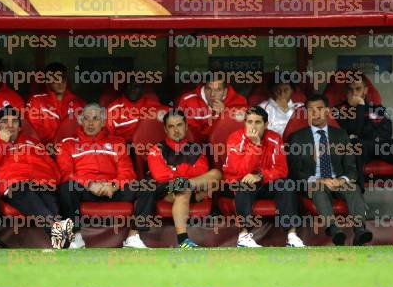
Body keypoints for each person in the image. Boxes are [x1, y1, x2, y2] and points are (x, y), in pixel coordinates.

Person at [55, 103, 156, 249]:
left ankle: (133, 236)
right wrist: (90, 184)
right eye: (86, 118)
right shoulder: (68, 144)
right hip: (85, 189)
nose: (90, 123)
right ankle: (75, 237)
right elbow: (66, 173)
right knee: (66, 187)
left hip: (112, 189)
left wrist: (113, 185)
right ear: (81, 121)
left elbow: (128, 173)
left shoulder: (117, 142)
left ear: (103, 122)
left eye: (95, 118)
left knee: (148, 186)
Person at [0, 105, 71, 249]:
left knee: (48, 198)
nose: (10, 125)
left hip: (42, 183)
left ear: (20, 127)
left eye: (14, 121)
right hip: (13, 184)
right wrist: (1, 142)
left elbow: (52, 167)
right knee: (24, 190)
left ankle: (57, 236)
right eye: (5, 121)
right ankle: (56, 228)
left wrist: (51, 181)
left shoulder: (34, 144)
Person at [335, 76, 393, 216]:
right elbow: (352, 130)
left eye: (358, 88)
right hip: (358, 148)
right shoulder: (338, 110)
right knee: (355, 146)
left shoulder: (376, 108)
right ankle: (358, 202)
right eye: (350, 89)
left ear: (365, 90)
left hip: (379, 145)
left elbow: (386, 132)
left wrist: (364, 133)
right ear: (345, 91)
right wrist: (360, 107)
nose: (354, 92)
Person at [287, 94, 372, 246]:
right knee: (318, 189)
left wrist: (342, 180)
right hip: (315, 181)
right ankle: (334, 230)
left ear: (327, 111)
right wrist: (318, 180)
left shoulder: (341, 135)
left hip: (338, 180)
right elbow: (295, 170)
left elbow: (351, 167)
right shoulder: (297, 138)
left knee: (353, 188)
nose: (315, 113)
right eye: (311, 110)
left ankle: (360, 230)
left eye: (319, 109)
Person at [223, 106, 305, 248]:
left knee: (287, 184)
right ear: (245, 123)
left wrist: (261, 176)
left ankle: (292, 236)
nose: (252, 126)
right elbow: (239, 171)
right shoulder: (235, 139)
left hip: (264, 182)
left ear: (266, 125)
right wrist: (255, 146)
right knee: (243, 185)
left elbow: (281, 170)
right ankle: (243, 236)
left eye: (257, 122)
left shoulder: (274, 138)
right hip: (237, 181)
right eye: (249, 122)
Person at [147, 109, 222, 248]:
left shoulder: (196, 148)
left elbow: (202, 171)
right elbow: (161, 176)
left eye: (179, 125)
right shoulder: (157, 149)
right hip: (166, 191)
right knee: (184, 190)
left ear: (186, 127)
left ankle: (187, 186)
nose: (176, 130)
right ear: (165, 129)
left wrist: (176, 171)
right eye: (171, 126)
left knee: (216, 173)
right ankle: (183, 239)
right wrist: (187, 171)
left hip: (191, 186)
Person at [25, 62, 85, 145]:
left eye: (63, 78)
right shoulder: (36, 101)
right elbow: (33, 131)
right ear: (47, 81)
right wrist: (52, 145)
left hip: (71, 151)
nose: (60, 83)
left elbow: (84, 130)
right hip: (44, 151)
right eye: (55, 79)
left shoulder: (78, 103)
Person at [177, 76, 248, 143]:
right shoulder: (188, 101)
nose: (212, 94)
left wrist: (224, 116)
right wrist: (216, 117)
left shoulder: (239, 102)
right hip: (197, 150)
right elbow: (187, 136)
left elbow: (240, 135)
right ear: (204, 88)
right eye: (209, 89)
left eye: (218, 90)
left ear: (225, 91)